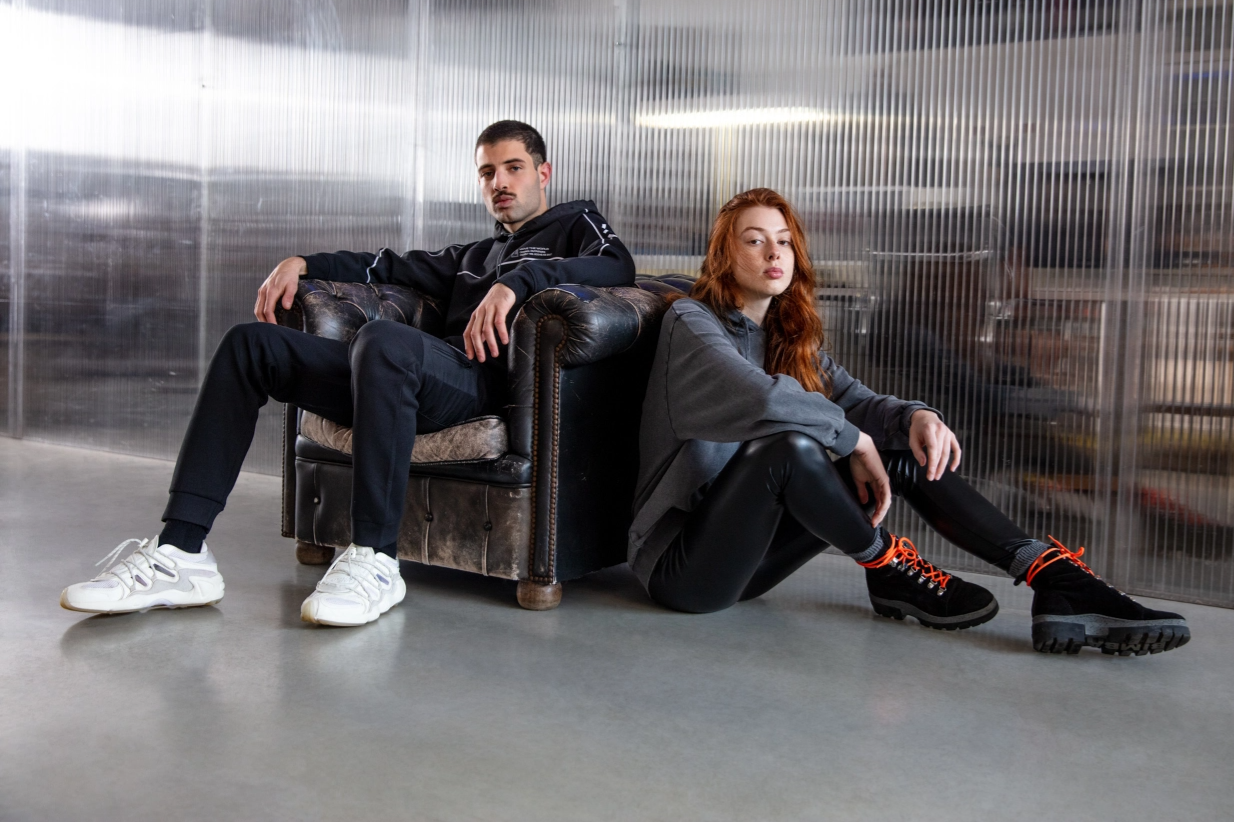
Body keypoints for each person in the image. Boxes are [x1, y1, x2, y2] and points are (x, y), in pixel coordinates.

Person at [61, 120, 636, 627]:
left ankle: (375, 559)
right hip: (399, 378)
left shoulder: (576, 223)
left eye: (514, 168)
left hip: (475, 387)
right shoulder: (472, 258)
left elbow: (619, 265)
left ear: (544, 172)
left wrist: (521, 282)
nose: (500, 183)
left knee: (383, 339)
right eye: (487, 172)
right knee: (251, 345)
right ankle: (181, 552)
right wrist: (303, 262)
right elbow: (384, 264)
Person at [629, 188, 1190, 656]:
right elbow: (762, 400)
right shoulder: (691, 320)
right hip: (683, 570)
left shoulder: (787, 341)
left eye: (784, 242)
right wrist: (852, 440)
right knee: (788, 449)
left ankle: (1055, 578)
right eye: (754, 241)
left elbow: (856, 400)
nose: (773, 253)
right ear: (723, 256)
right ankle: (887, 565)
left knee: (903, 453)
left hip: (750, 563)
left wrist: (916, 417)